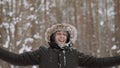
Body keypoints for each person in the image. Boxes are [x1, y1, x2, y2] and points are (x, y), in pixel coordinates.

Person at [0, 23, 120, 68]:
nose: (62, 36)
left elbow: (99, 62)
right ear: (53, 37)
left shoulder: (75, 54)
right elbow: (17, 59)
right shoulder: (43, 52)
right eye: (58, 34)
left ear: (68, 38)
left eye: (64, 34)